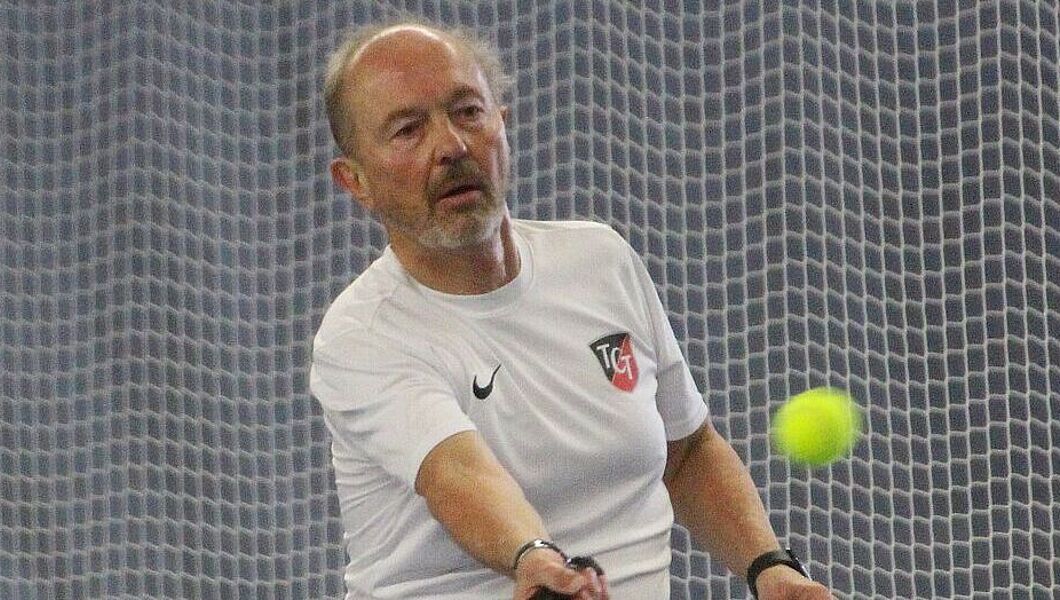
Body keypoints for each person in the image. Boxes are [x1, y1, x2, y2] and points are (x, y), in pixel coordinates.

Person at [310, 18, 834, 600]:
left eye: (467, 112)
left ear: (502, 123)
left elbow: (687, 452)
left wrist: (770, 568)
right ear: (354, 181)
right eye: (408, 130)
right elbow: (455, 472)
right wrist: (534, 555)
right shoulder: (362, 335)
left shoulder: (599, 260)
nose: (452, 147)